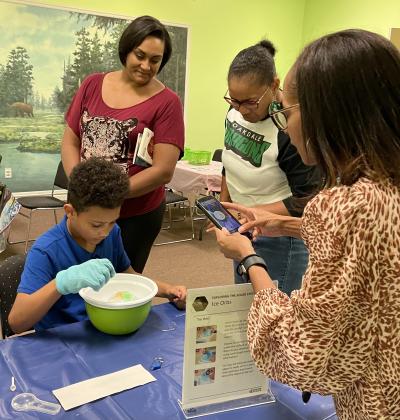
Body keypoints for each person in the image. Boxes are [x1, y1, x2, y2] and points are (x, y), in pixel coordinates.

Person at [213, 29, 400, 419]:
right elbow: (372, 246)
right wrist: (285, 223)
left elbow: (299, 356)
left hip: (377, 401)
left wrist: (250, 259)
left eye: (288, 110)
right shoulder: (384, 183)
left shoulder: (347, 204)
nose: (284, 124)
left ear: (328, 115)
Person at [61, 15, 184, 273]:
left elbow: (163, 170)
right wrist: (80, 184)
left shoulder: (167, 102)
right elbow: (71, 140)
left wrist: (109, 195)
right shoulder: (92, 84)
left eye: (155, 60)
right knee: (75, 277)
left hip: (136, 215)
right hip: (85, 208)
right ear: (126, 49)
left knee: (120, 285)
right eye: (139, 55)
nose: (146, 65)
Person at [8, 158, 186, 333]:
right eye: (96, 225)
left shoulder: (111, 233)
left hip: (102, 326)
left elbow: (128, 274)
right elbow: (17, 323)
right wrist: (59, 284)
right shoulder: (46, 250)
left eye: (112, 222)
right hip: (64, 339)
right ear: (70, 212)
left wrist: (168, 290)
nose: (105, 232)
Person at [221, 39, 318, 294]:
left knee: (274, 311)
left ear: (273, 85)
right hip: (243, 226)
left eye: (249, 102)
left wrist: (251, 213)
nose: (241, 110)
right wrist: (223, 208)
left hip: (279, 235)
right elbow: (229, 160)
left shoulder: (290, 129)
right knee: (245, 303)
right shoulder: (235, 111)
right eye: (234, 100)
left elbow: (306, 198)